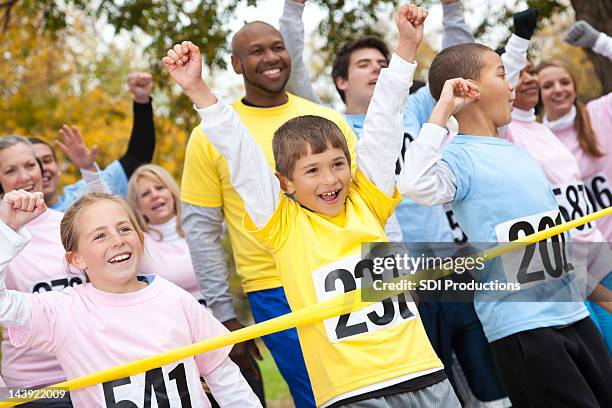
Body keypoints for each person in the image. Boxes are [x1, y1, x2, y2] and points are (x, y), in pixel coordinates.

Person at [165, 5, 462, 408]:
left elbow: (383, 125)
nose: (330, 180)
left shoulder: (367, 202)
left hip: (423, 373)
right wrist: (198, 90)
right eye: (312, 171)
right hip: (354, 392)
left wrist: (407, 48)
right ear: (285, 183)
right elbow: (241, 157)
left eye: (338, 165)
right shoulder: (282, 226)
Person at [280, 2, 509, 405]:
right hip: (390, 271)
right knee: (417, 380)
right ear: (339, 82)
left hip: (447, 262)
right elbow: (295, 70)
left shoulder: (414, 108)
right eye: (364, 64)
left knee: (479, 380)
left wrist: (450, 9)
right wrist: (292, 11)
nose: (376, 69)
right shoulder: (330, 129)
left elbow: (458, 67)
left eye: (382, 63)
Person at [398, 38, 612, 406]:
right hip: (525, 333)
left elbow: (552, 246)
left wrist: (605, 299)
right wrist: (444, 107)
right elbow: (414, 183)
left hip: (575, 316)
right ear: (470, 89)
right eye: (501, 74)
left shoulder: (519, 153)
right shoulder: (458, 158)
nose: (512, 85)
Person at [180, 17, 358, 408]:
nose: (271, 57)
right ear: (236, 64)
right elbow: (201, 230)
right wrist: (224, 317)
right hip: (273, 288)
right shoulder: (208, 135)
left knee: (372, 384)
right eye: (256, 51)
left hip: (345, 273)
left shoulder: (325, 118)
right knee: (318, 396)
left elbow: (363, 203)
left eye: (277, 46)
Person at [0, 189, 262, 408]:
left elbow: (224, 377)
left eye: (124, 229)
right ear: (76, 258)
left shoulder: (174, 297)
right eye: (100, 235)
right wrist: (7, 230)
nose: (117, 241)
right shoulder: (63, 311)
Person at [501, 17, 612, 354]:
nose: (533, 81)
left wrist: (600, 42)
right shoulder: (510, 132)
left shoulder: (577, 121)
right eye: (522, 75)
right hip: (565, 266)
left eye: (530, 73)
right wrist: (518, 42)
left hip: (598, 253)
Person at [127, 164, 266, 405]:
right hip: (180, 348)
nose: (155, 196)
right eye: (145, 194)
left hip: (223, 333)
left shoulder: (200, 229)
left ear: (172, 191)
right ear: (137, 206)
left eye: (159, 187)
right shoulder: (139, 244)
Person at [0, 135, 79, 408]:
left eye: (30, 165)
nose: (24, 176)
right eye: (10, 170)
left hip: (93, 371)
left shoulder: (73, 223)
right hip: (33, 387)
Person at [30, 72, 156, 211]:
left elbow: (137, 158)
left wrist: (142, 102)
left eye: (47, 160)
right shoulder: (7, 224)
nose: (42, 169)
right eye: (31, 164)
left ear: (58, 168)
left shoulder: (84, 191)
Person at [538, 22, 612, 243]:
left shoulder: (600, 112)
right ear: (538, 94)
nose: (558, 89)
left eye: (564, 82)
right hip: (591, 260)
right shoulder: (536, 139)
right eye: (548, 85)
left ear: (574, 87)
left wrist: (600, 42)